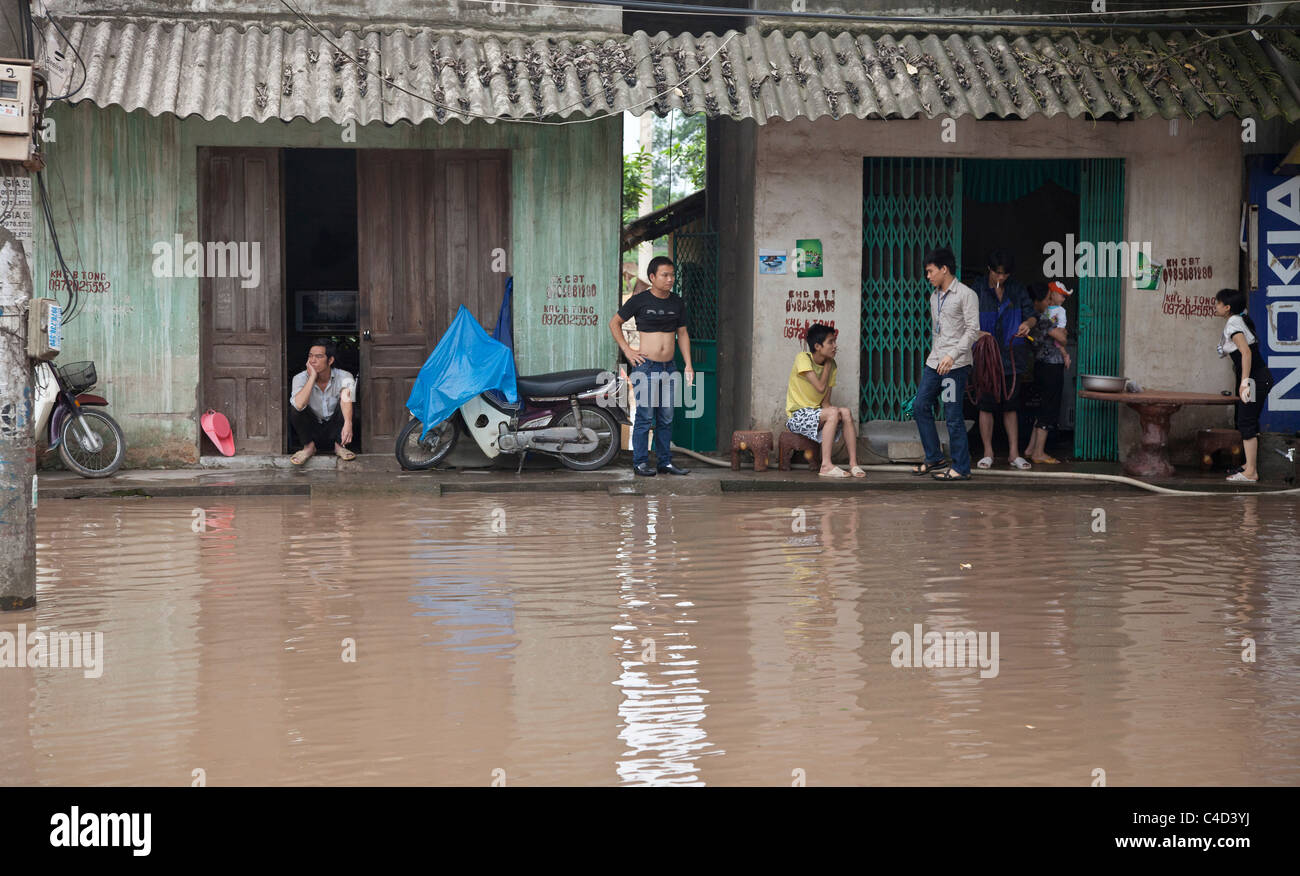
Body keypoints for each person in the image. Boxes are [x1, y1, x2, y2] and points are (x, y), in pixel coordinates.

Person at [609, 256, 694, 476]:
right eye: (665, 275)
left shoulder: (677, 302)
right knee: (645, 417)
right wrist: (627, 350)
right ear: (652, 277)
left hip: (669, 367)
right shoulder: (640, 300)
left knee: (666, 417)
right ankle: (640, 463)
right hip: (646, 367)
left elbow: (682, 334)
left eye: (672, 275)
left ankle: (664, 462)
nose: (670, 279)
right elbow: (614, 323)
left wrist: (688, 365)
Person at [912, 247, 980, 481]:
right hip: (935, 363)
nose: (928, 276)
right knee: (920, 405)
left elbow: (973, 331)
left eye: (930, 271)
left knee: (952, 414)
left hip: (956, 366)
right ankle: (934, 457)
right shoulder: (934, 296)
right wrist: (938, 356)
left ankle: (961, 467)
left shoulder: (966, 294)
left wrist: (952, 355)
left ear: (944, 269)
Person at [972, 249, 1036, 471]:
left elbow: (1032, 314)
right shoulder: (977, 289)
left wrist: (1028, 324)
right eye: (998, 273)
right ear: (989, 270)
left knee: (1011, 405)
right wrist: (976, 333)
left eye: (1005, 275)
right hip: (986, 356)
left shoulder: (1017, 289)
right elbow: (964, 318)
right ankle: (988, 452)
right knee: (986, 405)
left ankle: (1013, 454)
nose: (1001, 278)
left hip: (1012, 354)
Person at [785, 323, 865, 478]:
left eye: (835, 341)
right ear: (817, 346)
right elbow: (820, 388)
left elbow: (825, 402)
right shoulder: (803, 358)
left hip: (816, 413)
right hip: (797, 416)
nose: (835, 346)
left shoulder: (832, 365)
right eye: (831, 342)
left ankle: (854, 464)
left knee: (846, 413)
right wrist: (828, 365)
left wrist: (838, 415)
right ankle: (826, 465)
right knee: (833, 413)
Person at [1214, 288, 1274, 482]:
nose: (1215, 306)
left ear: (1227, 307)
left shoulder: (1233, 323)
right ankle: (1249, 466)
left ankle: (1251, 473)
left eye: (1218, 303)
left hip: (1255, 379)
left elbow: (1246, 353)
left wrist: (1245, 383)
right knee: (1249, 420)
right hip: (1259, 377)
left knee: (1246, 421)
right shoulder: (1238, 320)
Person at [1023, 281, 1072, 464]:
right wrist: (1063, 333)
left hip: (1041, 364)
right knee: (1049, 409)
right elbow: (1062, 338)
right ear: (1038, 301)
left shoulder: (1034, 317)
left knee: (1042, 407)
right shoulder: (1042, 318)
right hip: (1051, 366)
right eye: (1046, 298)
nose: (1048, 301)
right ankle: (1038, 453)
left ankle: (1030, 448)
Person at [288, 339, 357, 465]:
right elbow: (298, 405)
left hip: (336, 427)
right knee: (295, 408)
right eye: (310, 356)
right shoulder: (299, 378)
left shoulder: (345, 376)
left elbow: (346, 400)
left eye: (318, 357)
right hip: (313, 427)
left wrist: (348, 422)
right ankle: (308, 447)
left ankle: (339, 446)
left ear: (330, 360)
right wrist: (312, 377)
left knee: (349, 405)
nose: (312, 360)